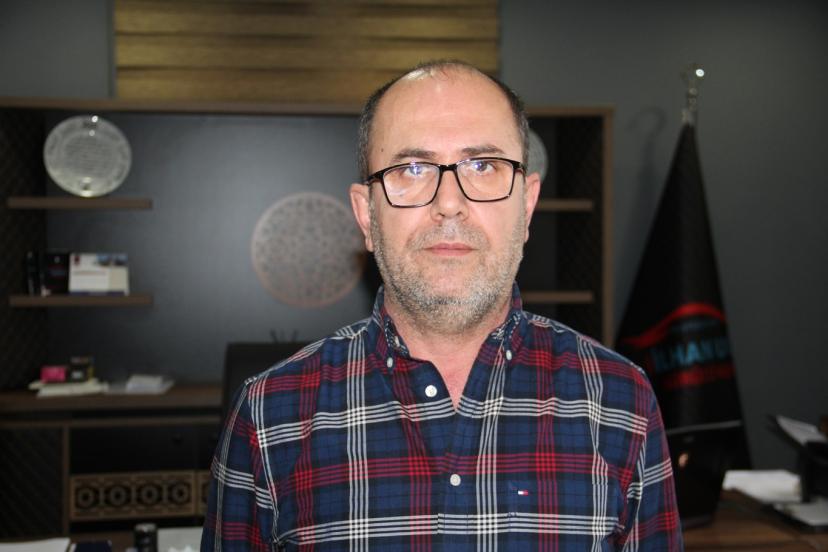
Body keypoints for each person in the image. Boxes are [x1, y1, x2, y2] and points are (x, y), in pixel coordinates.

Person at [202, 61, 683, 551]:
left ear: (527, 206)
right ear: (367, 216)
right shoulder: (268, 417)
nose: (449, 203)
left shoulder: (621, 402)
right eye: (411, 169)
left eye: (483, 166)